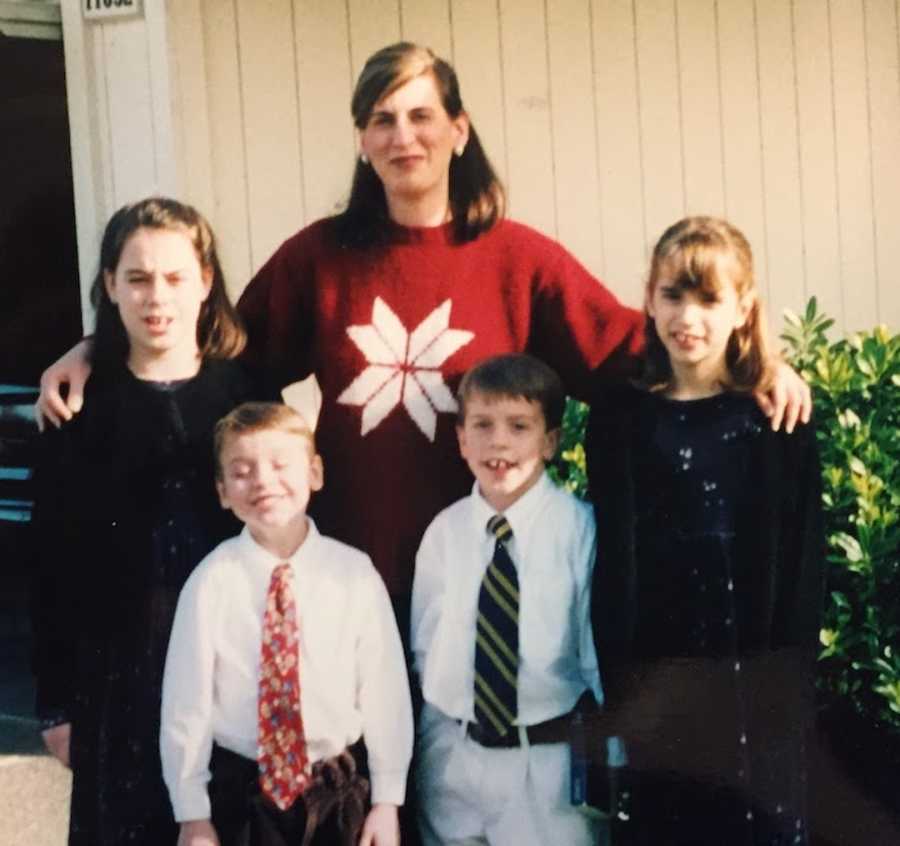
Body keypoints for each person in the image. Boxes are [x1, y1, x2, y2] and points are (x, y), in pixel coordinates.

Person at [34, 43, 810, 630]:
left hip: (483, 582)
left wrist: (758, 366)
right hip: (343, 578)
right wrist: (94, 349)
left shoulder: (520, 259)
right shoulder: (319, 258)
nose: (403, 137)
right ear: (363, 141)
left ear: (459, 131)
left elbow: (635, 351)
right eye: (382, 120)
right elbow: (215, 353)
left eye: (421, 116)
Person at [29, 197, 265, 845]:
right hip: (120, 675)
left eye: (174, 277)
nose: (155, 296)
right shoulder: (75, 406)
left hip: (230, 667)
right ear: (109, 285)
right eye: (136, 278)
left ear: (206, 282)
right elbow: (49, 566)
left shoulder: (244, 396)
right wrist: (57, 704)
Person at [585, 216, 824, 845]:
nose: (688, 317)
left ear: (743, 308)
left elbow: (803, 568)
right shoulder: (619, 421)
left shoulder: (778, 418)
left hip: (753, 680)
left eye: (710, 299)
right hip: (660, 679)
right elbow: (613, 567)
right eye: (673, 296)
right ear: (648, 298)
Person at [161, 402, 412, 846]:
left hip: (336, 790)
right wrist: (192, 815)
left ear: (314, 473)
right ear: (221, 491)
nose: (262, 481)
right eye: (241, 471)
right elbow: (186, 705)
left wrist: (387, 801)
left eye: (281, 465)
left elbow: (385, 692)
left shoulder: (354, 575)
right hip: (243, 793)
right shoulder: (211, 583)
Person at [410, 354, 604, 846]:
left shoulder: (578, 530)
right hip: (455, 758)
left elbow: (596, 658)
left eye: (519, 426)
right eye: (483, 425)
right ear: (461, 439)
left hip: (546, 764)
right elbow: (425, 649)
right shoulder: (444, 532)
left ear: (551, 441)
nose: (498, 441)